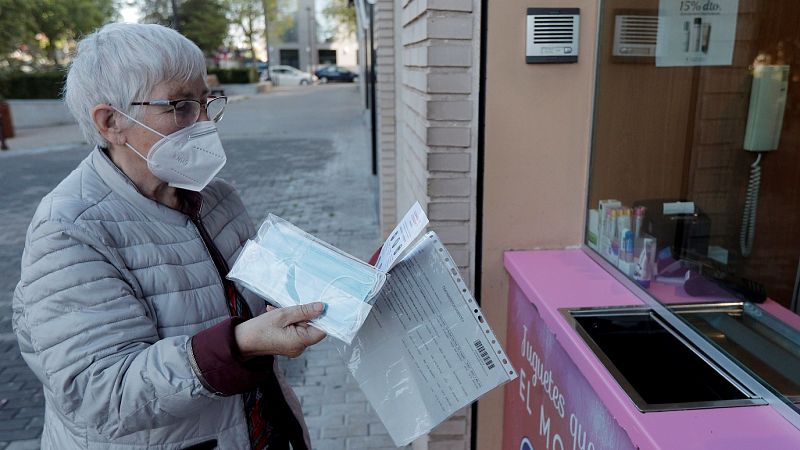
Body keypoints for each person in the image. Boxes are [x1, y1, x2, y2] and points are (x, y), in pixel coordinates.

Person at [12, 23, 327, 450]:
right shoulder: (70, 228)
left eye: (205, 101)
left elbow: (260, 292)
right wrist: (239, 345)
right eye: (180, 106)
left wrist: (336, 287)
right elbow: (101, 393)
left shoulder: (216, 197)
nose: (203, 123)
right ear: (111, 122)